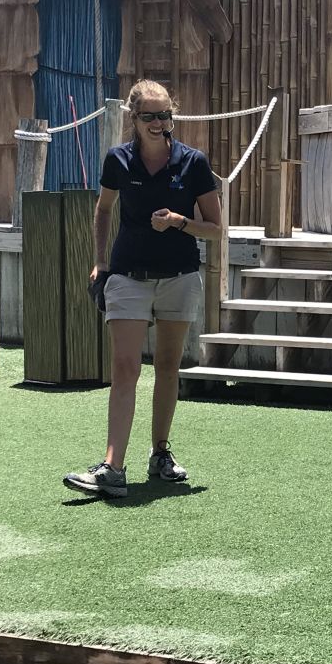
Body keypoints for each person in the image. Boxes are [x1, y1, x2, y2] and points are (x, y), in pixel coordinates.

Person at [64, 79, 221, 498]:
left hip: (179, 277)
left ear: (172, 115)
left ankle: (160, 454)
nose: (158, 123)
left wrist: (179, 222)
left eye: (165, 114)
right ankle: (113, 467)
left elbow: (215, 229)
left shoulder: (193, 163)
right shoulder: (118, 159)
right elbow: (103, 209)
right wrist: (100, 262)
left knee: (168, 366)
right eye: (149, 116)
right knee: (125, 367)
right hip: (128, 275)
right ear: (133, 118)